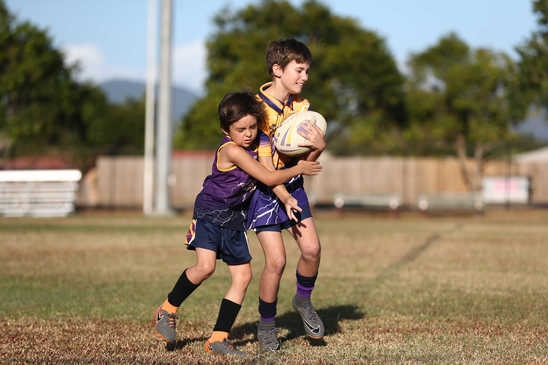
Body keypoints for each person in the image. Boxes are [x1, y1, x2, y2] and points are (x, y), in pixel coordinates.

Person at [153, 91, 322, 357]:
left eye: (253, 127)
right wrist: (298, 169)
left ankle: (218, 339)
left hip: (234, 217)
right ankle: (167, 309)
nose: (248, 134)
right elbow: (266, 177)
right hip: (210, 211)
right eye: (240, 129)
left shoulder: (263, 141)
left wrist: (288, 196)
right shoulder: (231, 150)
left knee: (243, 276)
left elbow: (269, 171)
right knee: (205, 267)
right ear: (226, 130)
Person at [246, 39, 327, 352]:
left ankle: (303, 302)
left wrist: (320, 143)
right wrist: (283, 195)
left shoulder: (301, 107)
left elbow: (308, 161)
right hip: (264, 190)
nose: (305, 76)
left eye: (307, 70)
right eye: (299, 69)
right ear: (277, 70)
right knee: (276, 262)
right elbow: (263, 168)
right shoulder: (257, 110)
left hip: (292, 185)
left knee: (312, 249)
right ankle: (266, 325)